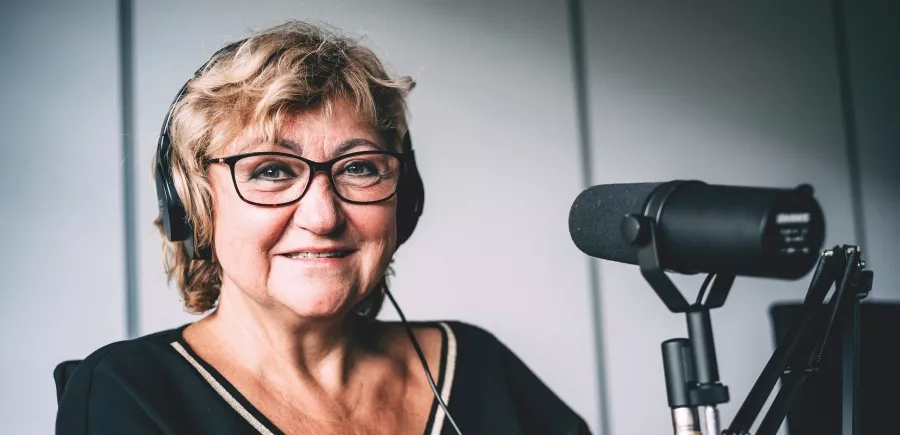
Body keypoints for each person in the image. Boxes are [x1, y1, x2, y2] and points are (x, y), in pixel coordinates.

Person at [55, 20, 590, 435]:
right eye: (270, 171)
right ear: (196, 207)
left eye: (358, 168)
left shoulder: (477, 365)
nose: (323, 216)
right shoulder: (129, 392)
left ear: (404, 201)